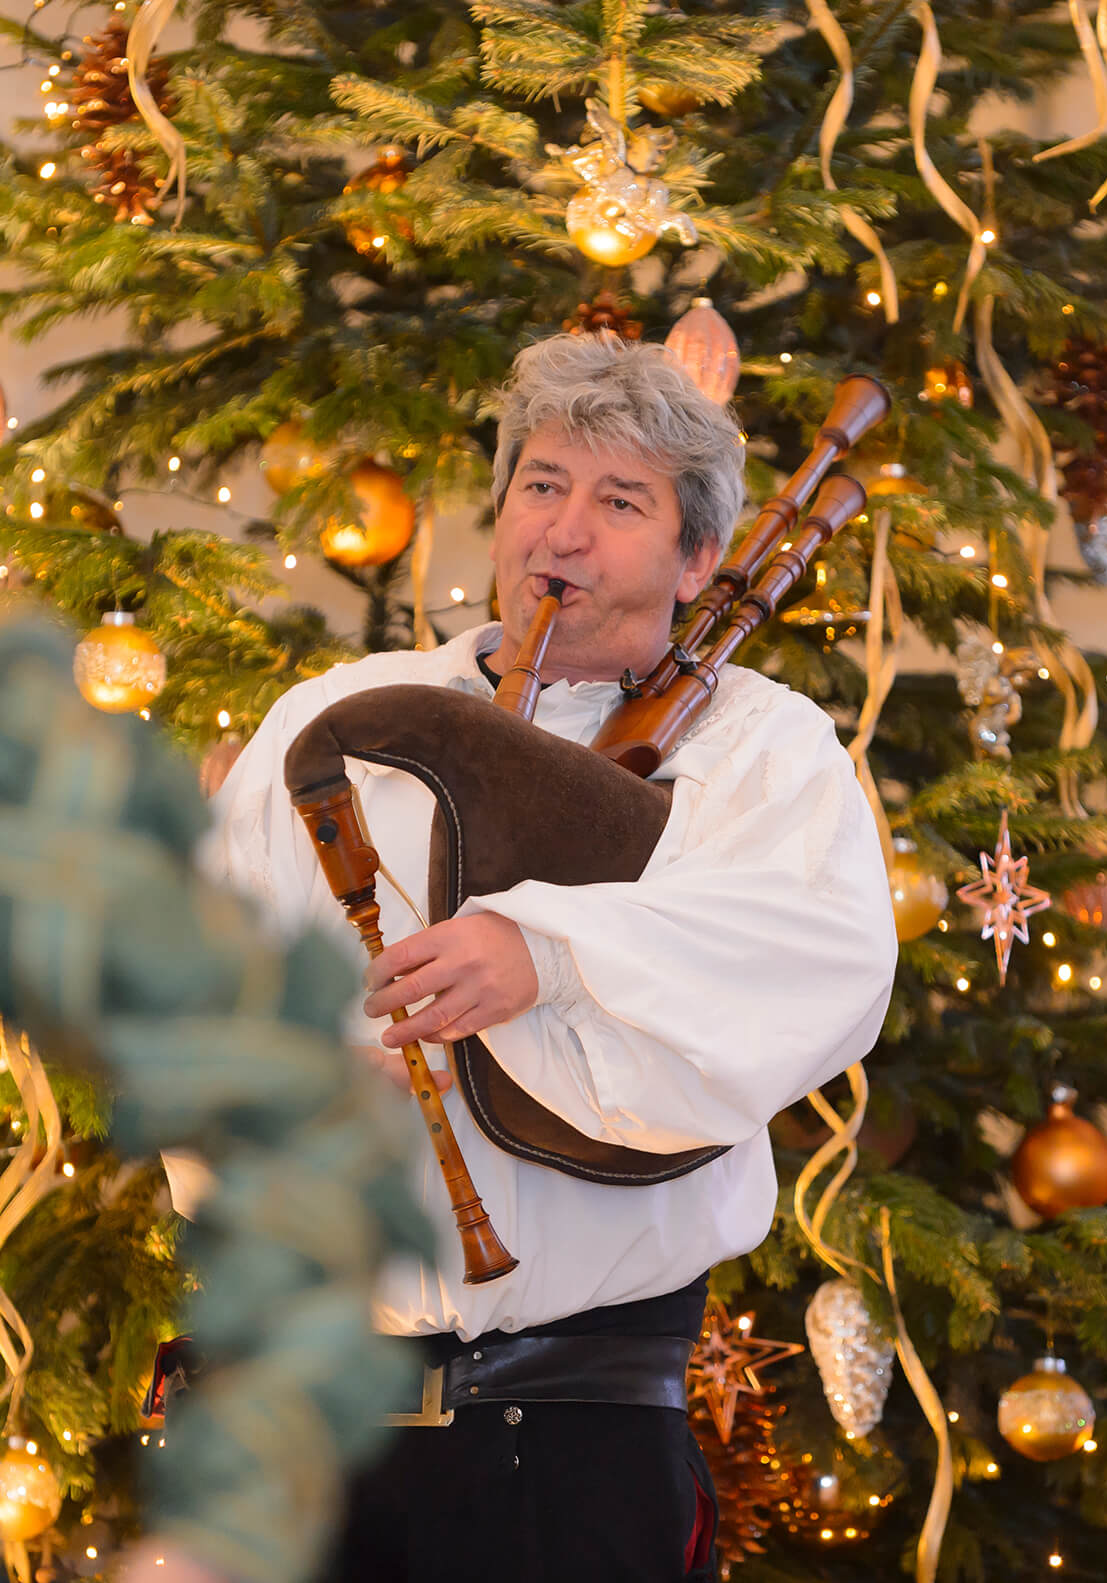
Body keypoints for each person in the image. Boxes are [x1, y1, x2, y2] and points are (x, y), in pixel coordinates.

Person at [199, 331, 898, 1583]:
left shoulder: (756, 748)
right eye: (541, 485)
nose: (562, 533)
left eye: (619, 501)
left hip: (568, 1435)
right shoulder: (333, 715)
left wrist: (548, 953)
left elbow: (818, 958)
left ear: (696, 560)